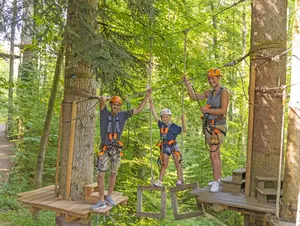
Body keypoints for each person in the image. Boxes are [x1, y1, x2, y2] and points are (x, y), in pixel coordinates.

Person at [91, 89, 151, 210]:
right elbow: (102, 100)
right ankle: (101, 200)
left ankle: (109, 196)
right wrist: (106, 98)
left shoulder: (123, 115)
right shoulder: (104, 113)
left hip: (116, 150)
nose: (116, 107)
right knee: (101, 175)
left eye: (118, 105)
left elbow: (138, 109)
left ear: (120, 107)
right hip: (105, 148)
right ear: (111, 105)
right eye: (114, 104)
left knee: (113, 173)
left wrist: (147, 96)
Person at [183, 68, 229, 193]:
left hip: (218, 126)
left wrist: (207, 111)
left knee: (213, 154)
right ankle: (218, 179)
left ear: (219, 78)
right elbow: (194, 97)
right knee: (216, 154)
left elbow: (223, 110)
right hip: (209, 127)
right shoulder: (209, 93)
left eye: (213, 78)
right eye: (209, 79)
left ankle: (215, 182)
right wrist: (187, 83)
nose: (211, 81)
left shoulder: (224, 92)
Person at [149, 97, 186, 187]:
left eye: (166, 116)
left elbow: (184, 130)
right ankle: (160, 181)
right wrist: (151, 104)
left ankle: (179, 180)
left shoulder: (174, 126)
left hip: (173, 146)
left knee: (177, 163)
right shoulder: (160, 124)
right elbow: (154, 115)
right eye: (163, 117)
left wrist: (183, 121)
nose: (165, 118)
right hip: (165, 147)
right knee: (164, 164)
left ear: (169, 117)